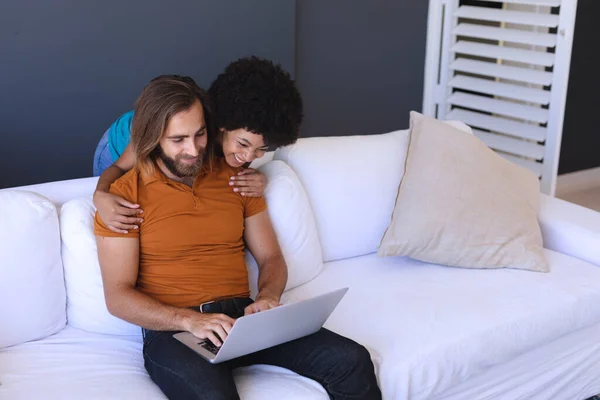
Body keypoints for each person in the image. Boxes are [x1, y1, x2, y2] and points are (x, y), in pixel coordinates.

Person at [94, 75, 381, 400]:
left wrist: (268, 297)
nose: (192, 149)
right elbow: (117, 296)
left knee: (351, 360)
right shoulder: (123, 196)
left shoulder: (238, 180)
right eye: (178, 140)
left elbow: (271, 258)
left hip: (244, 319)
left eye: (200, 134)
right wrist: (189, 321)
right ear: (155, 137)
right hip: (176, 331)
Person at [93, 57, 298, 233]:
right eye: (243, 144)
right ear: (222, 126)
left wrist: (261, 178)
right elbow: (118, 168)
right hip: (123, 141)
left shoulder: (237, 147)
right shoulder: (174, 133)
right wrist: (100, 196)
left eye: (261, 149)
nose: (249, 157)